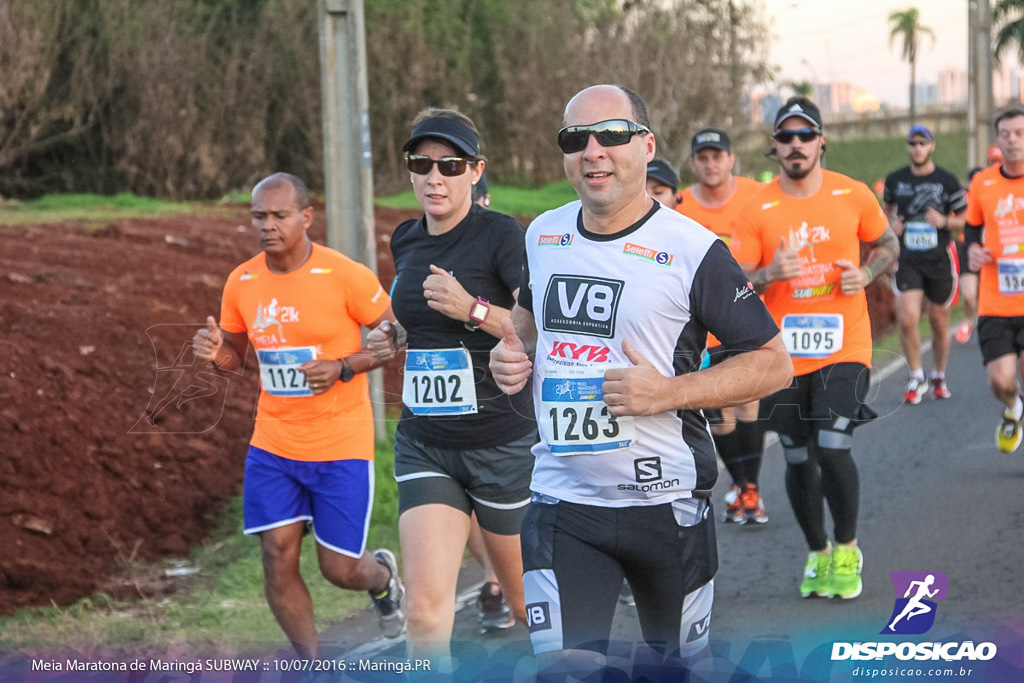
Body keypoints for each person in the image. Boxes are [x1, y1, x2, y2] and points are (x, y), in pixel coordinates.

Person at [489, 84, 792, 670]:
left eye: (613, 136)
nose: (593, 150)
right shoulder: (542, 235)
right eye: (575, 139)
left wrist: (668, 393)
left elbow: (773, 363)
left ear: (647, 147)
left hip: (666, 506)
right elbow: (527, 329)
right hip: (563, 503)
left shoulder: (693, 249)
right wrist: (512, 355)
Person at [191, 172, 404, 658]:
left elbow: (394, 338)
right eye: (259, 216)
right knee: (276, 555)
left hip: (340, 446)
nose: (268, 225)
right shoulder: (242, 281)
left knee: (340, 569)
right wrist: (214, 353)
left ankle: (384, 578)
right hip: (274, 444)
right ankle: (312, 663)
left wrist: (343, 367)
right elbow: (236, 360)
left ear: (306, 217)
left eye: (279, 215)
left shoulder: (345, 275)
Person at [366, 108, 534, 665]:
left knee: (529, 606)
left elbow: (539, 329)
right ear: (410, 171)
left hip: (500, 441)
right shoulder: (406, 239)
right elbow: (419, 321)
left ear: (474, 171)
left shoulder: (502, 235)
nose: (435, 177)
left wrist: (473, 309)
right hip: (426, 441)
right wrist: (392, 333)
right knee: (424, 612)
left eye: (450, 165)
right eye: (422, 163)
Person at [731, 97, 899, 601]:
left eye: (806, 135)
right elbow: (733, 281)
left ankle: (847, 547)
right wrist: (767, 275)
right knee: (797, 455)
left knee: (833, 444)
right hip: (782, 356)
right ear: (775, 148)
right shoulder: (755, 208)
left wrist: (867, 272)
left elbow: (888, 244)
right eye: (787, 137)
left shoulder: (853, 194)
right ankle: (818, 551)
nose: (797, 144)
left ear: (822, 141)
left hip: (843, 346)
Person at [677, 127, 769, 525]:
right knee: (721, 416)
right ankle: (743, 485)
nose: (711, 164)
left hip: (748, 321)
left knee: (748, 405)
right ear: (694, 163)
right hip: (702, 330)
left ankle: (750, 488)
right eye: (703, 157)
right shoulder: (679, 206)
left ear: (731, 159)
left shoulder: (757, 198)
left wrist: (769, 271)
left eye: (718, 156)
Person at [883, 124, 966, 403]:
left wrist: (945, 221)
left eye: (923, 143)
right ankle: (916, 376)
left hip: (939, 258)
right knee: (907, 317)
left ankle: (939, 375)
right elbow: (886, 215)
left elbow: (966, 219)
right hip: (908, 259)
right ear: (908, 147)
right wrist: (890, 225)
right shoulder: (896, 180)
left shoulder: (947, 181)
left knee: (939, 322)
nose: (917, 148)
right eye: (913, 143)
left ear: (932, 147)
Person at [965, 107, 1024, 453]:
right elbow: (972, 227)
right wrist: (972, 249)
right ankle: (1014, 407)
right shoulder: (983, 182)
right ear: (998, 140)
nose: (1013, 140)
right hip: (995, 300)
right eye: (1007, 134)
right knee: (1000, 381)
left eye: (1019, 133)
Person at [957, 144, 1004, 344]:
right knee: (968, 294)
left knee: (1001, 297)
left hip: (999, 250)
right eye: (992, 161)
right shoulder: (978, 189)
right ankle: (969, 320)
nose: (995, 165)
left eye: (998, 161)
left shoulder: (1010, 189)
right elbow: (960, 220)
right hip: (970, 248)